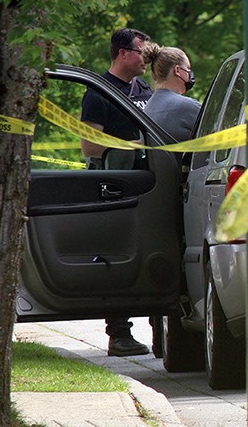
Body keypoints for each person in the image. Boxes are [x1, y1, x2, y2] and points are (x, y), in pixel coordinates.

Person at [80, 27, 154, 356]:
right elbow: (89, 146)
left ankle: (162, 332)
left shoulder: (145, 89)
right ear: (123, 53)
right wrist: (136, 147)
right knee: (116, 254)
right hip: (113, 187)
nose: (147, 58)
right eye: (143, 52)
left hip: (149, 183)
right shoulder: (98, 92)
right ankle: (119, 334)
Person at [142, 43, 201, 141]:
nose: (190, 73)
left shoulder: (147, 108)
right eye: (188, 68)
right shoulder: (187, 106)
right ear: (177, 70)